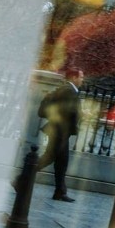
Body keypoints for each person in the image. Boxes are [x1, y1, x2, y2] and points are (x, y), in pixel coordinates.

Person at [35, 68, 83, 201]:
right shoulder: (69, 91)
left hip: (60, 131)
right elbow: (68, 111)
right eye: (81, 77)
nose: (82, 80)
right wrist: (82, 114)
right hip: (60, 132)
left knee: (61, 162)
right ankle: (21, 180)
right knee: (49, 158)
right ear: (74, 78)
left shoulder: (66, 89)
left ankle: (60, 192)